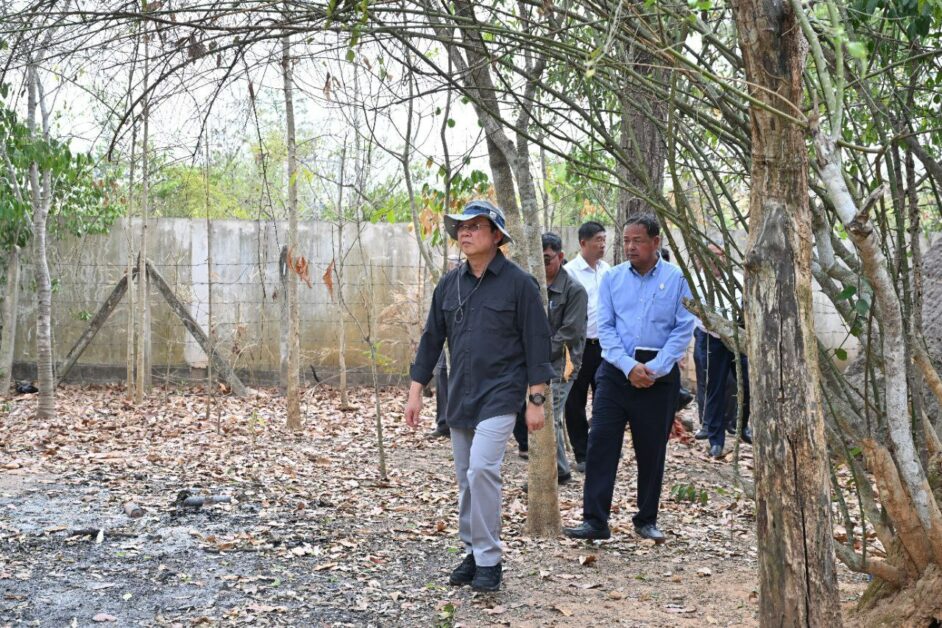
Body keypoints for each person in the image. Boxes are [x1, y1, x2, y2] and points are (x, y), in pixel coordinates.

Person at [404, 199, 554, 593]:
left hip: (501, 394)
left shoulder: (519, 284)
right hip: (461, 395)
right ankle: (472, 550)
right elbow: (431, 339)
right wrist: (415, 392)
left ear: (497, 235)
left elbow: (538, 343)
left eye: (475, 226)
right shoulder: (449, 284)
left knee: (482, 471)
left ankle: (490, 559)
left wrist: (536, 400)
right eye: (461, 227)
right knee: (466, 480)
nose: (465, 233)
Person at [564, 213, 695, 544]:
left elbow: (683, 327)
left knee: (651, 449)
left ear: (656, 242)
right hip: (615, 371)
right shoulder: (613, 278)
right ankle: (595, 520)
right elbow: (605, 327)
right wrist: (628, 367)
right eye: (626, 241)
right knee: (601, 444)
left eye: (638, 240)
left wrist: (655, 369)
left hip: (658, 374)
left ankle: (646, 519)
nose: (630, 246)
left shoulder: (677, 279)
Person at [513, 232, 588, 486]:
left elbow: (570, 334)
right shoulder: (531, 286)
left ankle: (549, 473)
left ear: (560, 256)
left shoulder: (575, 291)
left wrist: (537, 353)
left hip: (562, 364)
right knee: (543, 416)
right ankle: (561, 470)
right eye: (539, 259)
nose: (544, 265)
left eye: (548, 259)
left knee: (547, 415)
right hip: (534, 363)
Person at [692, 244, 752, 457]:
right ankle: (716, 439)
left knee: (746, 385)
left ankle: (742, 426)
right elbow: (697, 315)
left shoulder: (737, 279)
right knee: (715, 388)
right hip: (712, 339)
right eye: (710, 255)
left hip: (737, 339)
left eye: (719, 255)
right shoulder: (697, 282)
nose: (715, 259)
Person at [563, 221, 611, 473]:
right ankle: (582, 453)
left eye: (604, 239)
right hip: (578, 348)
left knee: (606, 400)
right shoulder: (569, 272)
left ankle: (601, 448)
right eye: (598, 240)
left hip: (605, 346)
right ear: (583, 243)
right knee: (575, 401)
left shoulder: (608, 271)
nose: (602, 245)